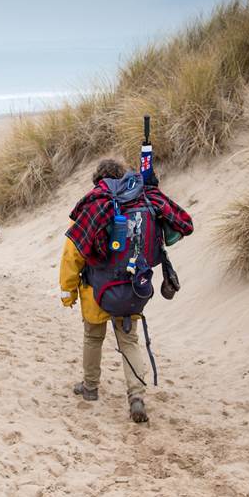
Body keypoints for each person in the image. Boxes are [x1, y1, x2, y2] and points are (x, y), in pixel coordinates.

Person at [59, 158, 193, 422]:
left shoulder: (95, 205)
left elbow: (71, 253)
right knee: (129, 341)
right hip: (133, 286)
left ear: (98, 180)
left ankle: (89, 388)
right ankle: (136, 397)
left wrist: (68, 292)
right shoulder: (142, 200)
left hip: (96, 290)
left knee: (93, 338)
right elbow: (179, 226)